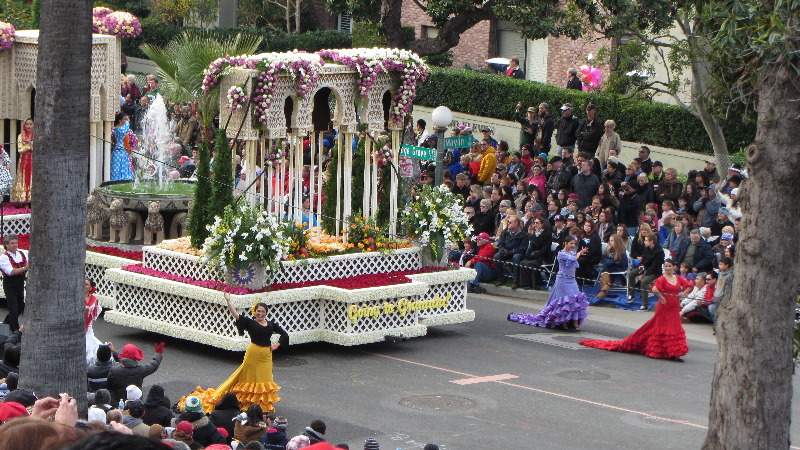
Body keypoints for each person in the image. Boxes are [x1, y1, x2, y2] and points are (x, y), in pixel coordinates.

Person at [192, 294, 290, 413]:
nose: (260, 314)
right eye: (258, 311)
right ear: (255, 312)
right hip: (253, 353)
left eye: (263, 311)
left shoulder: (271, 325)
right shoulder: (250, 322)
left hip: (266, 356)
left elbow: (284, 335)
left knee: (264, 379)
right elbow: (236, 315)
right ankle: (246, 403)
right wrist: (229, 302)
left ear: (266, 313)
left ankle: (261, 405)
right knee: (248, 377)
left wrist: (275, 346)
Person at [581, 259, 691, 360]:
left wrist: (681, 295)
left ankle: (673, 353)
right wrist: (662, 298)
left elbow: (689, 285)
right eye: (665, 266)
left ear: (673, 267)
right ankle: (660, 351)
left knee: (674, 328)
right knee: (661, 328)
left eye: (669, 266)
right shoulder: (662, 279)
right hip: (664, 307)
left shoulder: (677, 278)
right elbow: (655, 289)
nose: (667, 268)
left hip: (674, 307)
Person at [508, 235, 590, 331]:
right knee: (564, 302)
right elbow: (572, 259)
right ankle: (564, 324)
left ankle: (575, 324)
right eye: (571, 243)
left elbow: (574, 265)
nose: (572, 245)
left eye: (574, 244)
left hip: (571, 280)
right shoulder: (561, 253)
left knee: (575, 301)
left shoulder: (572, 253)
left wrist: (574, 276)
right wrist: (579, 253)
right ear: (565, 243)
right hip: (562, 280)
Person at [626, 232, 664, 310]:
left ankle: (644, 304)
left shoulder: (659, 252)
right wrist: (642, 265)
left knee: (644, 281)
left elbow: (655, 266)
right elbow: (644, 259)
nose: (644, 242)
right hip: (646, 268)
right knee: (631, 274)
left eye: (646, 240)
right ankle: (631, 294)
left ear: (652, 241)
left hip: (655, 272)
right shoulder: (646, 248)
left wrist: (643, 275)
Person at [0, 235, 28, 332]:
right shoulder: (4, 257)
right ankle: (15, 330)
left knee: (20, 305)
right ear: (6, 245)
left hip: (20, 282)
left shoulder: (22, 253)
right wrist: (25, 268)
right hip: (10, 284)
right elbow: (10, 272)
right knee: (13, 308)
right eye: (12, 243)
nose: (15, 245)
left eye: (16, 243)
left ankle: (6, 324)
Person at [596, 233, 630, 298]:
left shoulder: (622, 250)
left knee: (605, 266)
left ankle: (604, 289)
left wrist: (612, 262)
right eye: (610, 241)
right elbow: (603, 259)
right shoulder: (609, 249)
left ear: (616, 241)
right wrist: (609, 262)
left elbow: (623, 263)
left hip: (619, 268)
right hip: (610, 268)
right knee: (605, 266)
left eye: (612, 241)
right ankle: (605, 287)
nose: (610, 242)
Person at [10, 118, 33, 203]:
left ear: (34, 125)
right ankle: (24, 201)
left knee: (32, 179)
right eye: (27, 124)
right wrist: (29, 146)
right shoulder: (21, 136)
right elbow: (20, 149)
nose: (28, 126)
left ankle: (32, 201)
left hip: (34, 162)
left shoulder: (36, 136)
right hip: (24, 161)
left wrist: (30, 144)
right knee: (23, 179)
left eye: (30, 124)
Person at [111, 112, 135, 181]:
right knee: (117, 170)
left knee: (125, 169)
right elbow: (123, 131)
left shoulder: (126, 130)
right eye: (125, 119)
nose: (127, 121)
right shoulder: (117, 129)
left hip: (124, 152)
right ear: (120, 120)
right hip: (118, 152)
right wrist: (127, 122)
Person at [84, 277, 102, 366]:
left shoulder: (94, 300)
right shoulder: (75, 298)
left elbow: (94, 314)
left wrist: (90, 323)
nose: (84, 285)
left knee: (91, 347)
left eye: (86, 284)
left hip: (88, 328)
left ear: (91, 288)